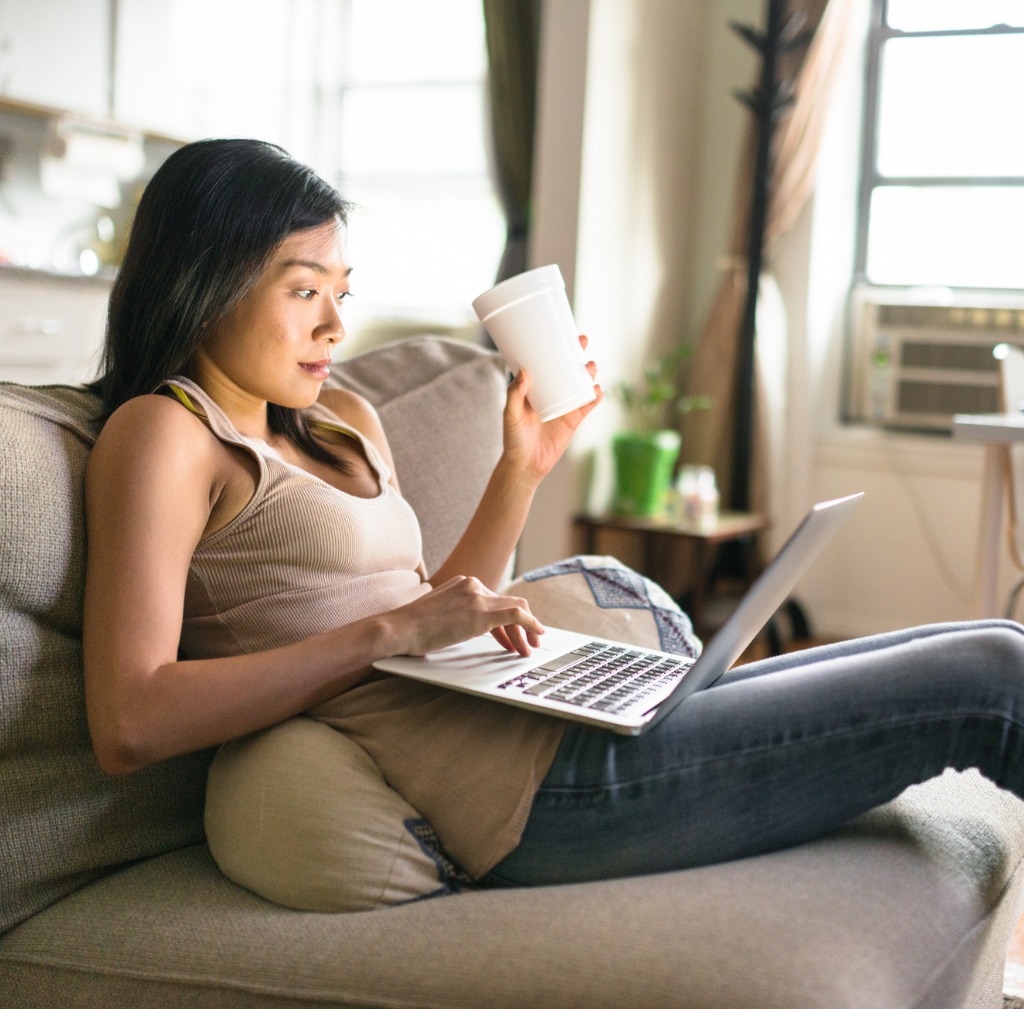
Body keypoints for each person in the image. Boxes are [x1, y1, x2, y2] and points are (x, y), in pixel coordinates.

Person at [83, 138, 1024, 891]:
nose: (334, 326)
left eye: (340, 293)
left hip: (556, 717)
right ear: (205, 282)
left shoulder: (345, 420)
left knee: (987, 634)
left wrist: (520, 473)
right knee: (993, 674)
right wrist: (393, 629)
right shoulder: (166, 436)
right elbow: (130, 720)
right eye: (303, 291)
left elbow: (436, 611)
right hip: (523, 795)